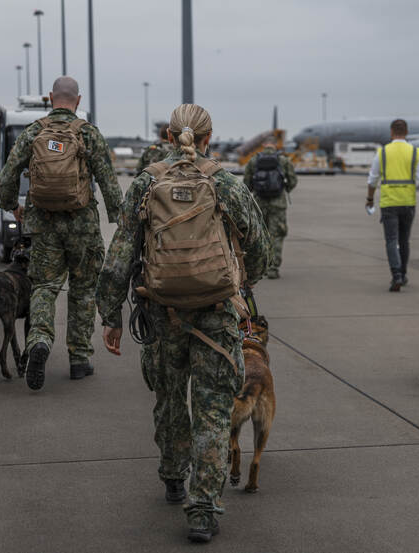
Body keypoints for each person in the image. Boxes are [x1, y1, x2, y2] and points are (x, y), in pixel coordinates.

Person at [96, 104, 270, 543]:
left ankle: (173, 476)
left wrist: (110, 315)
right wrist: (238, 280)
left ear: (169, 137)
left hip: (161, 312)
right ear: (208, 138)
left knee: (170, 399)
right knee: (212, 411)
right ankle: (204, 510)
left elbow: (119, 256)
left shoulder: (145, 183)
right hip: (216, 314)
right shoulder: (224, 182)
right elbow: (260, 247)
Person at [0, 76, 122, 390]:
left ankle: (38, 340)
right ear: (77, 101)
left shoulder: (33, 132)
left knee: (44, 286)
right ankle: (79, 358)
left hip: (43, 222)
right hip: (82, 224)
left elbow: (9, 175)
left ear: (51, 98)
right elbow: (108, 182)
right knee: (82, 289)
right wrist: (122, 221)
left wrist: (11, 205)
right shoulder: (88, 133)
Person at [366, 119, 419, 291]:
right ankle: (403, 273)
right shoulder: (416, 152)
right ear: (407, 132)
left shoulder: (383, 152)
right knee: (404, 240)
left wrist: (370, 199)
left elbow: (372, 180)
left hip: (389, 203)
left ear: (391, 132)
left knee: (391, 240)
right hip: (408, 202)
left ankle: (396, 276)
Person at [243, 137, 297, 279]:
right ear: (275, 145)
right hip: (278, 204)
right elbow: (292, 180)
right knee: (277, 234)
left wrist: (256, 191)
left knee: (260, 235)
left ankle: (261, 267)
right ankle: (273, 268)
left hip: (260, 202)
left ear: (263, 145)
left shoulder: (254, 160)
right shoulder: (283, 160)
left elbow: (246, 183)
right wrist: (283, 191)